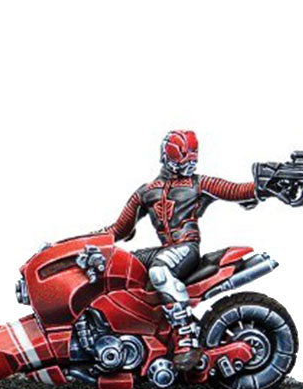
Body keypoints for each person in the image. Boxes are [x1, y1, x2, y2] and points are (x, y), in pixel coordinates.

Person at [106, 130, 260, 371]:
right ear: (168, 157)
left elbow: (235, 190)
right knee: (119, 265)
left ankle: (185, 337)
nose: (189, 165)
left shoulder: (199, 184)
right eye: (184, 160)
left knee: (159, 272)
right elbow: (119, 230)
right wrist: (84, 241)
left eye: (191, 160)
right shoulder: (146, 192)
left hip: (186, 247)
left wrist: (266, 186)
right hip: (165, 249)